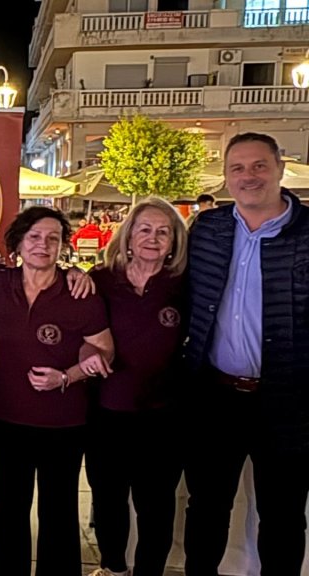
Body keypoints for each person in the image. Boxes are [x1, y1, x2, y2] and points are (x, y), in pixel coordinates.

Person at [183, 132, 309, 575]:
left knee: (284, 513)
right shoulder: (208, 229)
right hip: (215, 396)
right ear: (225, 176)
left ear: (280, 169)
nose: (248, 176)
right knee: (206, 507)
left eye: (259, 166)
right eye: (237, 168)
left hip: (289, 400)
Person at [0, 206, 113, 576]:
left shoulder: (79, 292)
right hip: (5, 416)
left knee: (58, 512)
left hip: (63, 422)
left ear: (62, 247)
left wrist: (67, 376)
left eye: (52, 238)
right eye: (35, 237)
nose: (43, 244)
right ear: (18, 243)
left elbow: (104, 350)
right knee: (8, 511)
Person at [86, 197, 188, 576]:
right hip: (105, 414)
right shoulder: (99, 280)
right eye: (144, 229)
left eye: (163, 232)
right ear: (128, 236)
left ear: (174, 242)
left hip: (163, 417)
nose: (153, 238)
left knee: (156, 506)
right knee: (108, 500)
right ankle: (113, 569)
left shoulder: (185, 285)